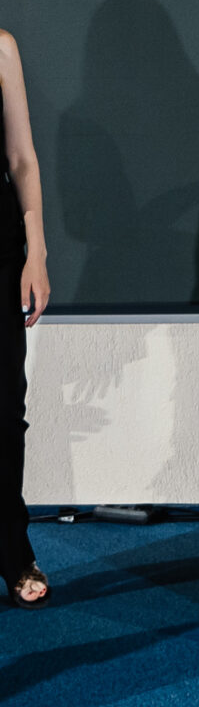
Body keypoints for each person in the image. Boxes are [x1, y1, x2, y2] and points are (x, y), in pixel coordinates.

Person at [0, 32, 51, 611]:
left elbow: (21, 160)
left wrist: (36, 252)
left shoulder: (2, 48)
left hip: (0, 245)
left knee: (3, 410)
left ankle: (14, 554)